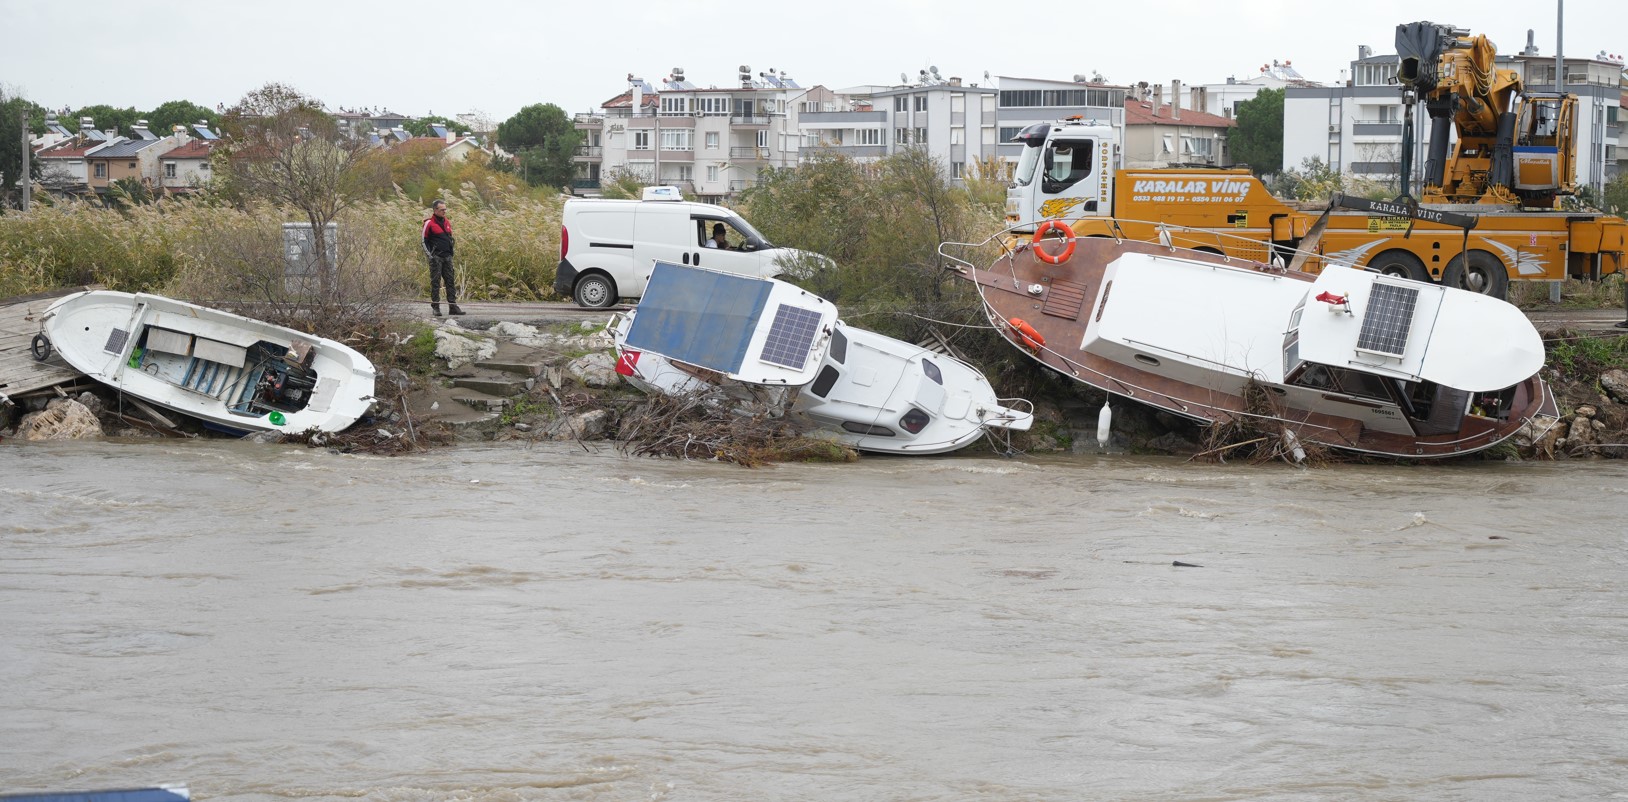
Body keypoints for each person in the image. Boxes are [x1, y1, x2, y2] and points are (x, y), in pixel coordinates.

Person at [422, 200, 463, 316]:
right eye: (442, 209)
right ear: (435, 210)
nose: (444, 211)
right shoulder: (429, 223)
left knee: (450, 281)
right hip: (436, 258)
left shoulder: (447, 222)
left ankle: (453, 307)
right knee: (435, 283)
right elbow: (423, 241)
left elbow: (450, 238)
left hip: (447, 257)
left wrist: (451, 253)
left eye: (445, 209)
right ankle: (436, 308)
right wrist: (430, 256)